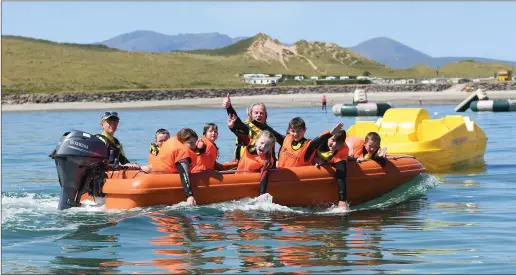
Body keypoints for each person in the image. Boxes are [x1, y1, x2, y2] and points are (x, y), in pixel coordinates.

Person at [250, 117, 342, 169]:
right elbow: (270, 130)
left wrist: (330, 133)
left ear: (305, 130)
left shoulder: (308, 145)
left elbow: (318, 141)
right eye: (293, 131)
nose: (296, 134)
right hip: (279, 175)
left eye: (299, 131)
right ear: (289, 130)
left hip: (296, 179)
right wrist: (254, 122)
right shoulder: (285, 139)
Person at [228, 114, 276, 196]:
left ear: (270, 148)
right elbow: (241, 135)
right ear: (256, 141)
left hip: (248, 183)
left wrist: (261, 194)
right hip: (237, 178)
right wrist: (232, 128)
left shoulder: (266, 160)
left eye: (267, 145)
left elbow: (264, 176)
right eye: (262, 143)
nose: (263, 146)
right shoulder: (250, 143)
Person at [154, 128, 203, 206]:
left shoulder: (174, 142)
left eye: (194, 143)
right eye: (191, 143)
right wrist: (189, 196)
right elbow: (184, 174)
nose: (194, 146)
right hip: (166, 178)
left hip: (156, 173)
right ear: (182, 141)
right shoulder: (182, 151)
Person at [222, 93, 277, 161]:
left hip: (263, 164)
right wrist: (229, 107)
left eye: (261, 113)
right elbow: (237, 122)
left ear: (265, 115)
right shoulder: (246, 127)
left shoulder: (269, 132)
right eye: (256, 113)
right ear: (251, 114)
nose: (258, 115)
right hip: (243, 163)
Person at [313, 122, 350, 210]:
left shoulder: (343, 151)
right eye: (333, 140)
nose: (334, 144)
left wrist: (342, 200)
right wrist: (315, 159)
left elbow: (341, 176)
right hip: (318, 156)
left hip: (333, 159)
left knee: (344, 166)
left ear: (343, 143)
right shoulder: (323, 138)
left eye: (339, 142)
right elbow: (308, 146)